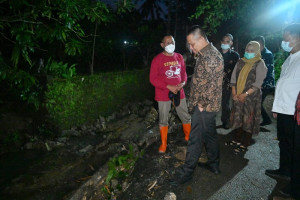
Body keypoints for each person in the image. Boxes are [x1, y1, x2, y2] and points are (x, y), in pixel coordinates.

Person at [170, 25, 224, 186]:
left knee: (195, 139)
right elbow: (203, 78)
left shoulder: (212, 56)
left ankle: (186, 173)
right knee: (210, 136)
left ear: (201, 39)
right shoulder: (204, 54)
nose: (191, 47)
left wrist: (201, 103)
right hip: (206, 106)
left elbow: (214, 83)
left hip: (204, 107)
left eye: (192, 44)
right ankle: (214, 164)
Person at [265, 24, 300, 199]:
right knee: (284, 143)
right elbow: (283, 84)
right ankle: (284, 171)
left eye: (287, 39)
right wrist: (277, 108)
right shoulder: (289, 58)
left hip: (295, 113)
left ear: (298, 38)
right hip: (284, 110)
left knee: (296, 149)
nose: (284, 42)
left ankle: (296, 187)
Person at [150, 35, 191, 153]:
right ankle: (163, 144)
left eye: (172, 42)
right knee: (163, 119)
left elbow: (184, 73)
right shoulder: (157, 59)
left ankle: (188, 137)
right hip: (163, 94)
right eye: (167, 43)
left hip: (179, 92)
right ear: (162, 45)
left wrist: (183, 83)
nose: (170, 45)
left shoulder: (179, 57)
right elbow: (153, 79)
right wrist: (168, 86)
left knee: (185, 115)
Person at [230, 41, 267, 152]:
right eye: (247, 50)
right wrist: (234, 93)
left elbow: (258, 83)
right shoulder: (241, 61)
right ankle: (237, 139)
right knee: (238, 117)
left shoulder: (260, 63)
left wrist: (245, 94)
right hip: (238, 95)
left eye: (252, 51)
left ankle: (245, 142)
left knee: (248, 119)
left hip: (251, 97)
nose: (249, 52)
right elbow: (233, 78)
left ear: (257, 51)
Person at [253, 36, 275, 126]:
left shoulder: (267, 54)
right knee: (257, 102)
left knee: (257, 102)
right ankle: (266, 119)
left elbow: (269, 71)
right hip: (259, 82)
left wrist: (262, 83)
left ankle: (263, 120)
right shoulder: (259, 53)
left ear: (261, 44)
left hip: (266, 83)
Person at [220, 33, 240, 129]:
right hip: (214, 83)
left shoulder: (235, 56)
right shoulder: (216, 53)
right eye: (223, 41)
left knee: (225, 103)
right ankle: (209, 121)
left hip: (227, 84)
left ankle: (225, 120)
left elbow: (237, 70)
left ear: (231, 43)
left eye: (227, 41)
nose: (225, 43)